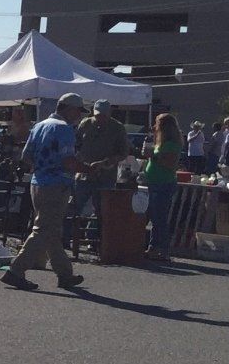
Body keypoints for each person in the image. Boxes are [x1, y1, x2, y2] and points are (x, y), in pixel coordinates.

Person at [2, 92, 91, 291]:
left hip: (38, 182)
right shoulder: (64, 129)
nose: (79, 116)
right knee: (43, 229)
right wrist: (87, 168)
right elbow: (69, 160)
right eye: (78, 111)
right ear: (68, 108)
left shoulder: (40, 126)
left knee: (51, 230)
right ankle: (16, 270)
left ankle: (65, 274)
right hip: (56, 185)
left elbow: (26, 156)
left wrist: (42, 168)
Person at [73, 98, 131, 219]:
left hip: (105, 177)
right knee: (74, 208)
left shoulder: (118, 128)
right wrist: (78, 160)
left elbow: (124, 152)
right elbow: (76, 145)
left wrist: (106, 162)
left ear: (109, 114)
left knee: (103, 211)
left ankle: (97, 236)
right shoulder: (85, 124)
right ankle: (69, 235)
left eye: (103, 115)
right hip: (83, 175)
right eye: (98, 115)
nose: (100, 118)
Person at [141, 111, 182, 260]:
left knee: (160, 218)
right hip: (154, 182)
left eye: (157, 124)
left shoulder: (172, 144)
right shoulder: (161, 143)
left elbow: (170, 164)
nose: (154, 127)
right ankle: (153, 247)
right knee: (154, 217)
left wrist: (153, 156)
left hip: (163, 183)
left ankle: (163, 250)